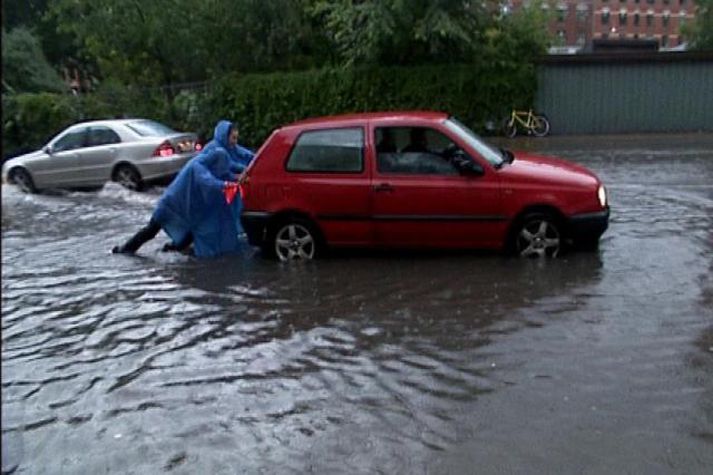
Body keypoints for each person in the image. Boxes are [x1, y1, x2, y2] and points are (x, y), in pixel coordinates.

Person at [112, 120, 254, 258]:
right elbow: (207, 180)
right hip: (173, 201)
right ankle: (126, 250)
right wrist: (226, 184)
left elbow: (229, 169)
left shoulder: (221, 153)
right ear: (224, 136)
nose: (235, 142)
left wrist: (244, 174)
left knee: (193, 230)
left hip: (191, 203)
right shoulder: (203, 161)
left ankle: (171, 250)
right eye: (233, 138)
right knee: (152, 229)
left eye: (236, 138)